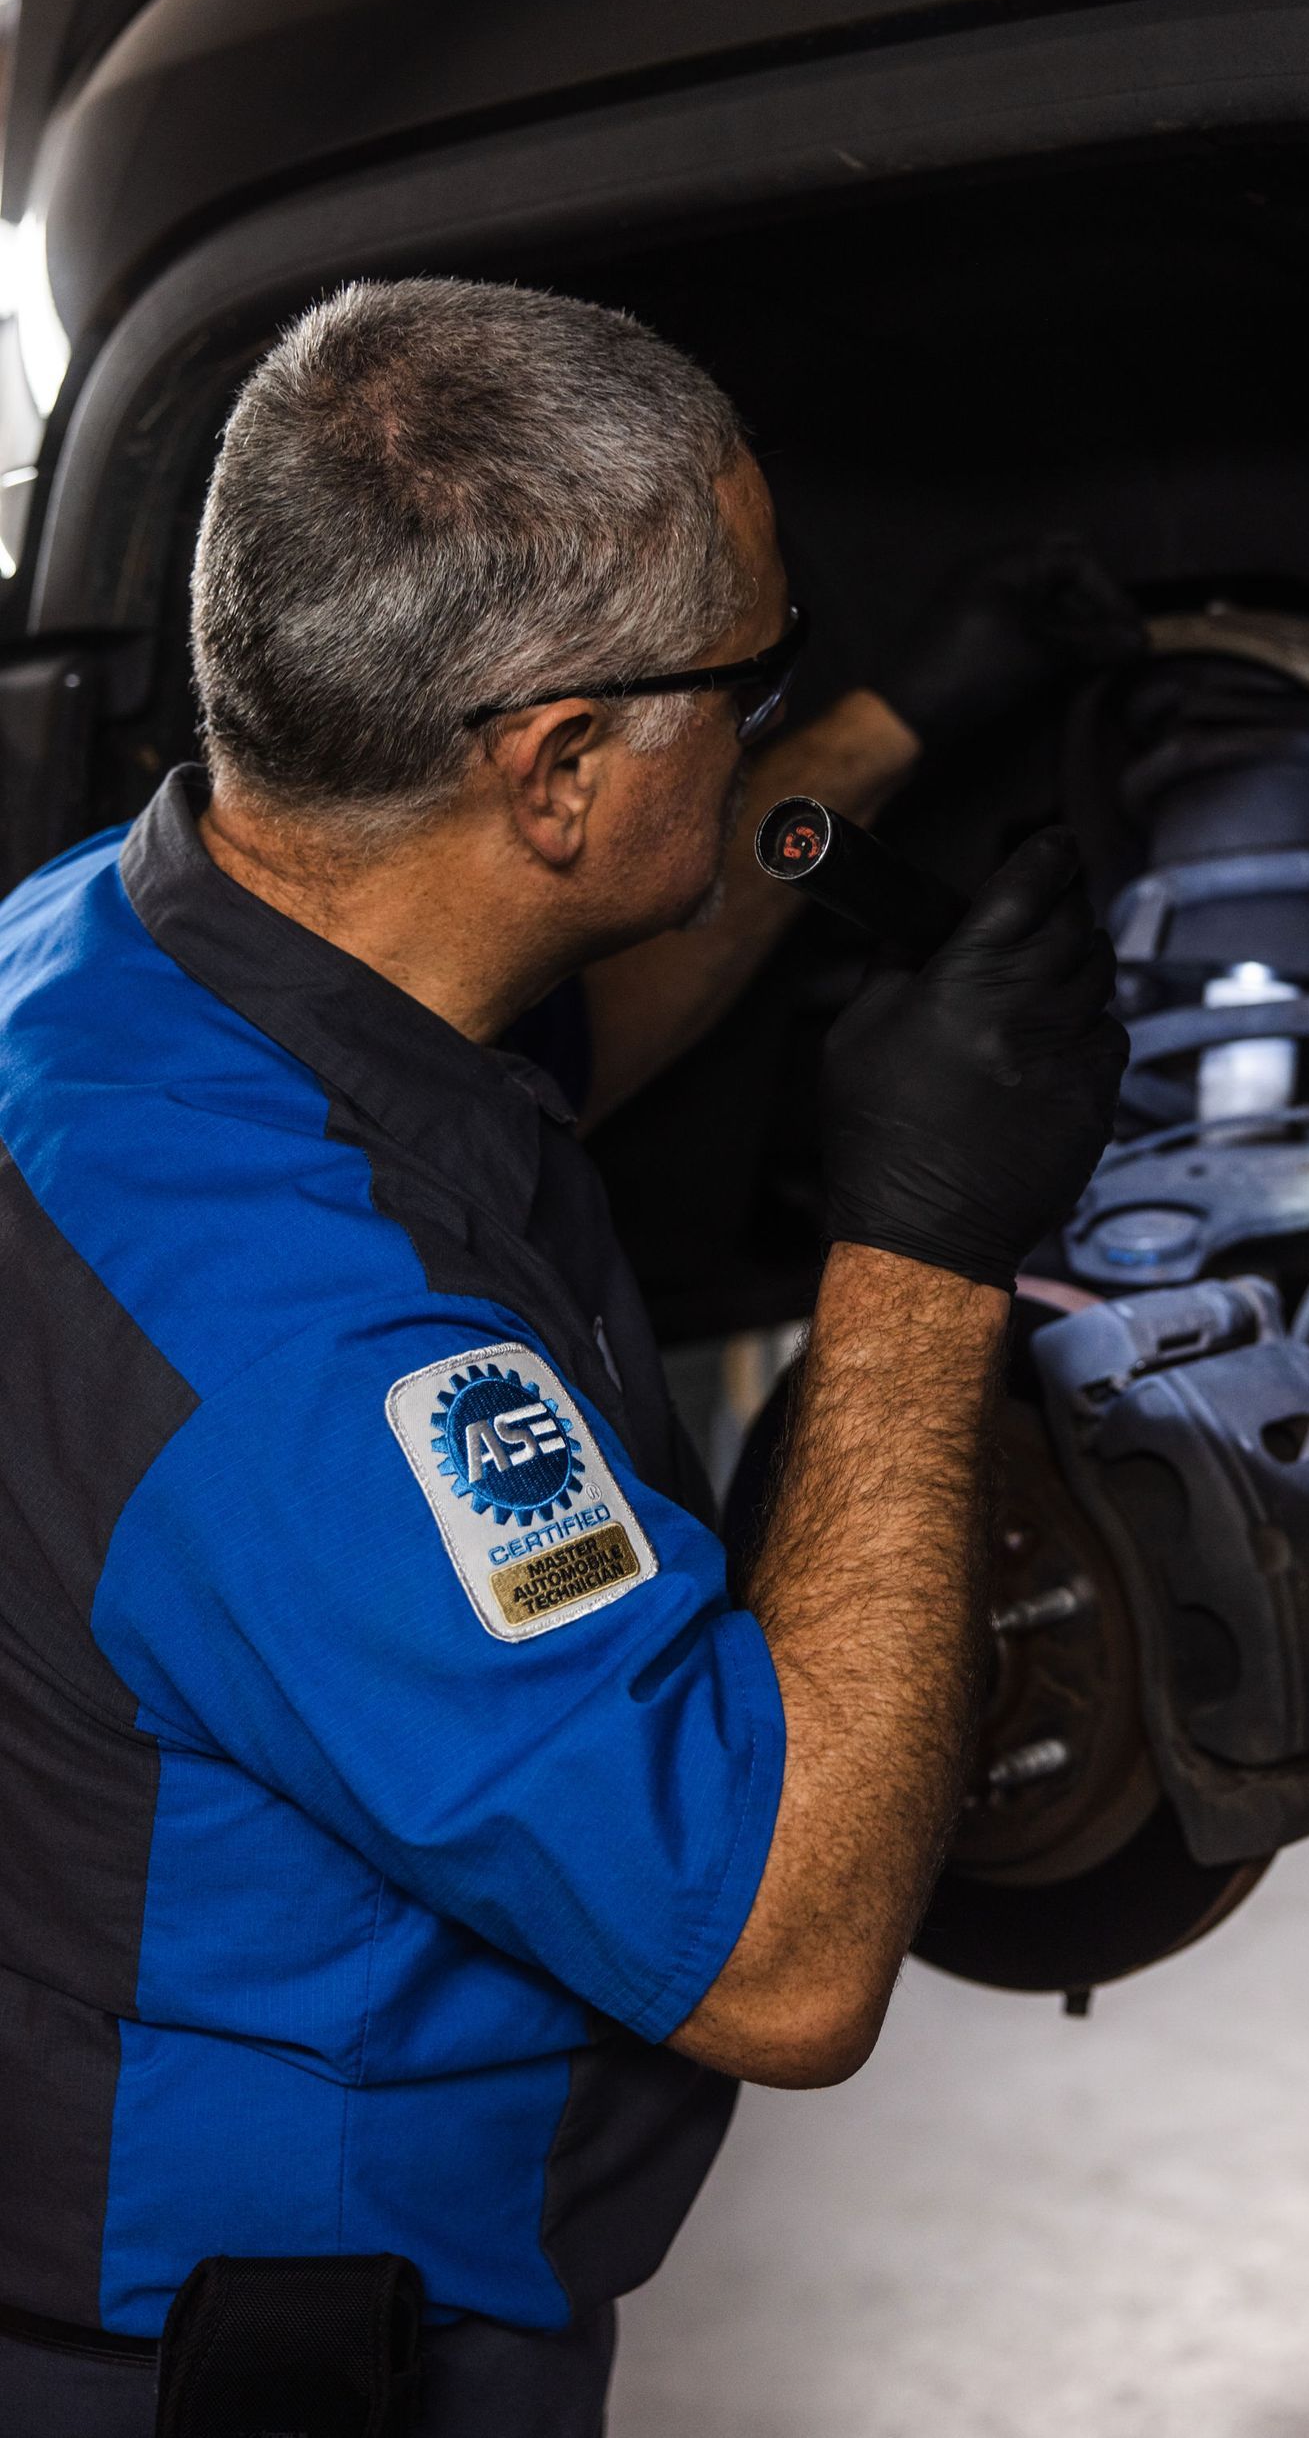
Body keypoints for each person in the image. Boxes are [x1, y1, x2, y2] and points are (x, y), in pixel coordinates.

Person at [0, 278, 1135, 2435]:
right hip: (266, 2360)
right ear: (553, 767)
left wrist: (876, 734)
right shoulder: (308, 1365)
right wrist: (924, 1245)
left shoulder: (126, 951)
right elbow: (786, 1957)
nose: (773, 699)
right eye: (755, 673)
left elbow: (549, 1028)